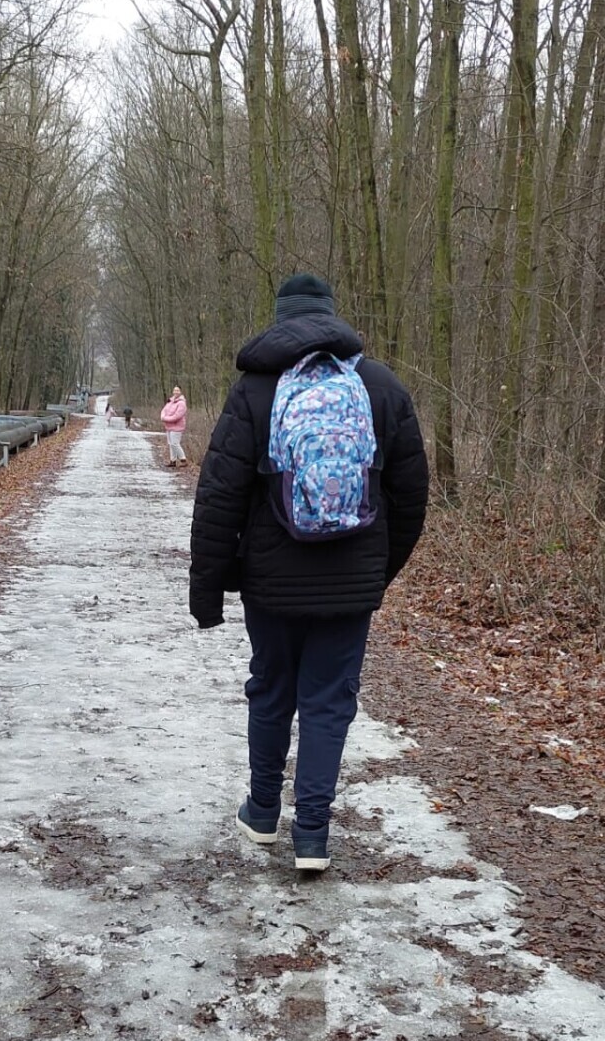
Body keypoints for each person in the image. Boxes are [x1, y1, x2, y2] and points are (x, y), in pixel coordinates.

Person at [188, 272, 429, 873]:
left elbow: (219, 496)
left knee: (271, 689)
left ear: (280, 321)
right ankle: (314, 835)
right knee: (329, 700)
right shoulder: (380, 386)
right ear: (331, 315)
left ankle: (263, 812)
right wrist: (376, 572)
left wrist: (209, 589)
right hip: (350, 582)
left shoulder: (254, 390)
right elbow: (411, 498)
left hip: (270, 580)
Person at [160, 386, 188, 465]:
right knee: (171, 444)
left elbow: (177, 416)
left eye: (177, 390)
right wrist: (162, 416)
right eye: (175, 390)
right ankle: (173, 461)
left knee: (175, 444)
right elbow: (164, 410)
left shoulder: (182, 403)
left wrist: (165, 418)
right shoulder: (170, 401)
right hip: (169, 427)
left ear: (180, 392)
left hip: (177, 427)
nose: (176, 392)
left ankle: (183, 460)